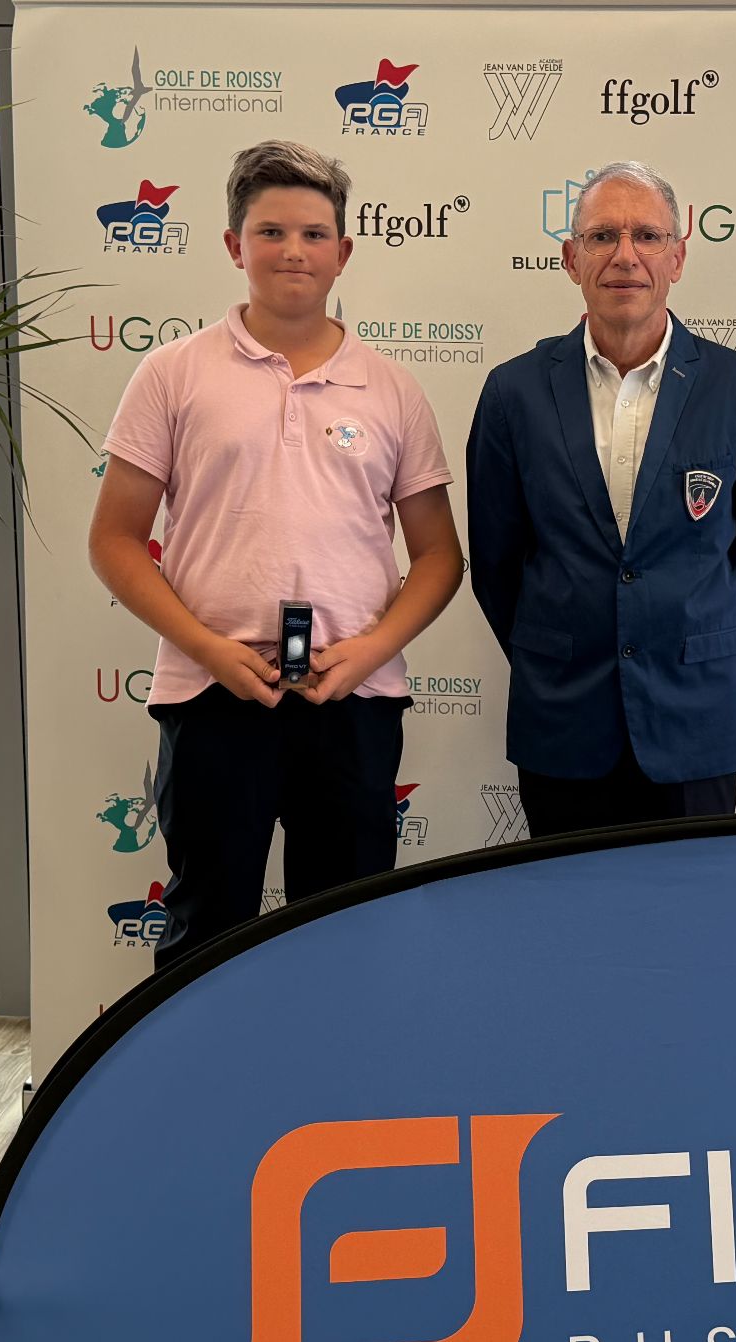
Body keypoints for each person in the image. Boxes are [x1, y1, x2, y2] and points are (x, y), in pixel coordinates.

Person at [88, 141, 462, 969]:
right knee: (206, 931)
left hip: (352, 695)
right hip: (215, 692)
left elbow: (440, 556)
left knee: (348, 934)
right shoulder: (172, 374)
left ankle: (336, 1058)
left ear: (343, 252)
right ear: (235, 245)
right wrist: (209, 649)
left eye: (314, 234)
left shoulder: (393, 389)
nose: (294, 251)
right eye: (271, 232)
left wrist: (370, 649)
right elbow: (114, 540)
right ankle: (204, 1063)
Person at [467, 161, 736, 838]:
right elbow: (496, 565)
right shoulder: (513, 393)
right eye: (602, 236)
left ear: (677, 258)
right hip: (562, 720)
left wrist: (700, 653)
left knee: (689, 903)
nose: (626, 255)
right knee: (565, 900)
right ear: (571, 259)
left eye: (647, 236)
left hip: (694, 723)